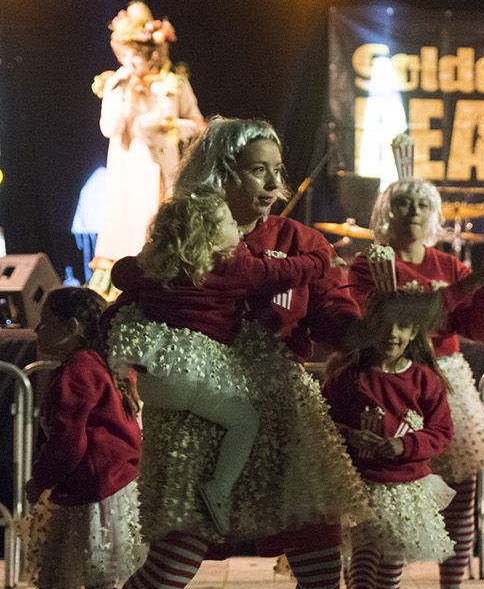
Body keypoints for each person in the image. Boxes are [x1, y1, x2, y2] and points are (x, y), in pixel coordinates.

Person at [53, 118, 368, 589]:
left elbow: (336, 320)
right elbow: (137, 289)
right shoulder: (184, 228)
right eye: (260, 168)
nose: (275, 181)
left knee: (317, 557)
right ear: (222, 173)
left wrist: (375, 322)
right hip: (204, 414)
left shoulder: (300, 239)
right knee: (173, 558)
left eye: (278, 169)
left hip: (279, 408)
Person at [349, 133, 484, 589]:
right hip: (386, 383)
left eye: (423, 203)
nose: (414, 210)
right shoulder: (370, 264)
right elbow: (392, 319)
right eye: (404, 202)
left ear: (435, 213)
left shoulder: (448, 264)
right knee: (371, 498)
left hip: (447, 381)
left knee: (462, 493)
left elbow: (478, 329)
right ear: (386, 212)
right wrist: (469, 286)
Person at [107, 188, 331, 533]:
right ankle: (220, 488)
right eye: (228, 222)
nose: (236, 228)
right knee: (245, 422)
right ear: (210, 234)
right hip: (193, 376)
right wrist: (321, 260)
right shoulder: (230, 267)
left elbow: (120, 274)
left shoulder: (155, 266)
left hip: (154, 380)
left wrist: (146, 261)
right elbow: (281, 272)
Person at [22, 287, 149, 589]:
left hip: (92, 490)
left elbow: (68, 441)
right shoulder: (107, 364)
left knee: (58, 582)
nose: (37, 328)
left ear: (72, 328)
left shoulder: (78, 369)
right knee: (101, 587)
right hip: (112, 485)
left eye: (46, 321)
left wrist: (38, 480)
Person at [326, 292, 456, 589]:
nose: (393, 334)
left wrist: (404, 444)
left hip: (406, 486)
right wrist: (350, 436)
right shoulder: (349, 377)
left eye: (403, 326)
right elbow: (323, 419)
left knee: (391, 564)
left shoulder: (424, 380)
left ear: (415, 331)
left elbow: (442, 431)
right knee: (363, 556)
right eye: (385, 324)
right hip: (361, 484)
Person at [91, 1, 207, 287]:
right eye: (126, 57)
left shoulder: (174, 83)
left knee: (158, 225)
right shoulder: (115, 84)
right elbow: (109, 127)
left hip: (161, 170)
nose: (131, 63)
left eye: (137, 57)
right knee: (125, 229)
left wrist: (170, 127)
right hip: (127, 174)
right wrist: (123, 92)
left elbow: (198, 124)